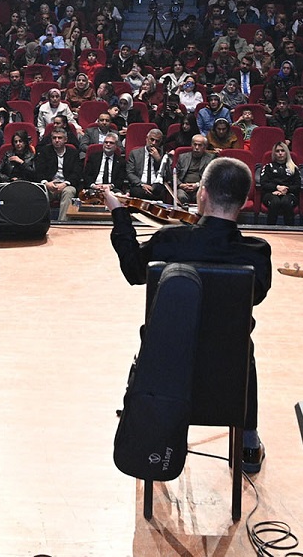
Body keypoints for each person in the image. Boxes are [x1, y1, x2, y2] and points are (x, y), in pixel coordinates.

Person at [106, 158, 272, 472]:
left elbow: (132, 270)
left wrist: (119, 214)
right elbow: (257, 295)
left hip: (166, 368)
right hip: (226, 376)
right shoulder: (256, 252)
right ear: (244, 202)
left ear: (203, 194)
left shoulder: (170, 240)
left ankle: (149, 428)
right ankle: (248, 443)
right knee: (241, 348)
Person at [33, 126, 82, 221]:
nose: (56, 140)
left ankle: (62, 223)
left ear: (65, 140)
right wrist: (46, 183)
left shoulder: (73, 153)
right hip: (49, 185)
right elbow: (39, 171)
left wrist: (65, 184)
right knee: (39, 192)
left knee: (69, 192)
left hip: (66, 185)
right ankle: (40, 223)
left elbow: (77, 173)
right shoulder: (44, 151)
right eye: (54, 138)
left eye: (60, 138)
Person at [257, 140, 302, 227]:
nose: (280, 153)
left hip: (289, 194)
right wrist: (277, 187)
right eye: (277, 151)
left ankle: (290, 230)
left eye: (282, 151)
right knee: (275, 202)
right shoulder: (268, 167)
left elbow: (297, 185)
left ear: (286, 152)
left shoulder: (293, 168)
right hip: (271, 193)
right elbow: (264, 183)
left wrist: (286, 190)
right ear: (274, 153)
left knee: (286, 202)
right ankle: (270, 229)